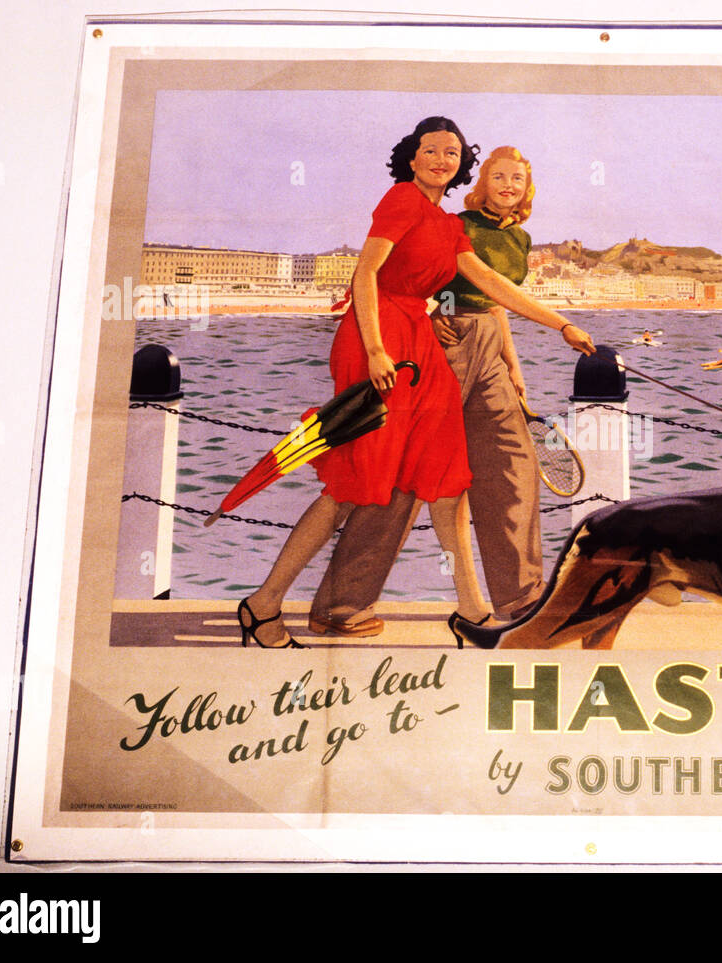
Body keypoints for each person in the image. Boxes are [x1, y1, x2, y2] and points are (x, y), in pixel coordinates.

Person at [237, 119, 594, 648]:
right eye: (431, 150)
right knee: (359, 484)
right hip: (382, 343)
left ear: (460, 165)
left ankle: (475, 610)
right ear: (412, 157)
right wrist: (380, 348)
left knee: (445, 476)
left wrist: (561, 325)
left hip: (422, 347)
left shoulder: (450, 226)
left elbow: (491, 287)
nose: (441, 159)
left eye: (452, 152)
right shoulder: (403, 200)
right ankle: (274, 603)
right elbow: (366, 276)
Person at [307, 145, 553, 636]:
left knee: (512, 461)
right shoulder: (455, 223)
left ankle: (520, 596)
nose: (508, 186)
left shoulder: (519, 239)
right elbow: (422, 278)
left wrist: (513, 363)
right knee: (405, 470)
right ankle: (342, 602)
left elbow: (497, 298)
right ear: (480, 182)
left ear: (528, 189)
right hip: (443, 345)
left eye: (518, 180)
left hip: (489, 350)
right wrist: (432, 315)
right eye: (498, 177)